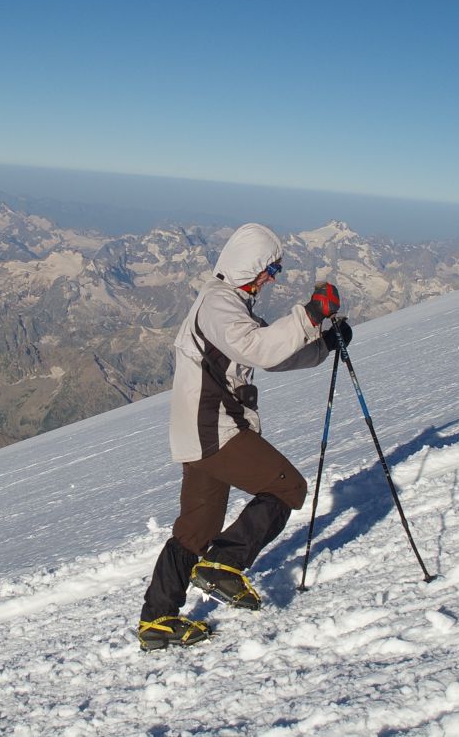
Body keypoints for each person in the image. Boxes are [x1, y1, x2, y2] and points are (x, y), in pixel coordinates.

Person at [138, 222, 352, 651]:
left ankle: (156, 620)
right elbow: (260, 349)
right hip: (214, 429)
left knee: (195, 529)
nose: (273, 276)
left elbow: (270, 354)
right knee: (287, 487)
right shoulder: (219, 305)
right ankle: (223, 564)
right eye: (270, 268)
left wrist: (324, 343)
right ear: (249, 265)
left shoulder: (228, 305)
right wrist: (310, 315)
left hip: (198, 433)